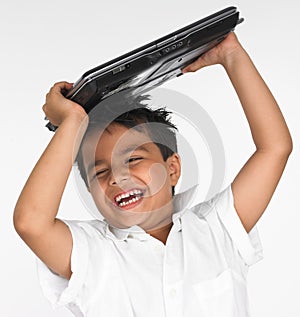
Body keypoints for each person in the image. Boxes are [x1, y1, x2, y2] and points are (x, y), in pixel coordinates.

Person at [14, 32, 292, 316]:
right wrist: (72, 122)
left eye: (133, 158)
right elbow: (30, 222)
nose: (117, 177)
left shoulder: (217, 229)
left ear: (172, 169)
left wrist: (232, 56)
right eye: (100, 172)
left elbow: (275, 148)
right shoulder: (90, 252)